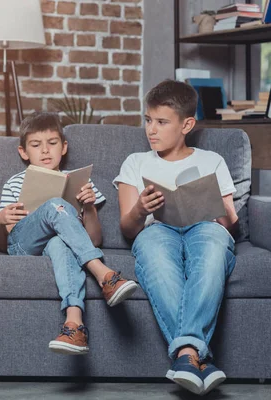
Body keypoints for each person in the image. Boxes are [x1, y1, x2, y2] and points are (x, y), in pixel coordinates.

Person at [115, 80, 238, 395]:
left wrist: (222, 210)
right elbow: (128, 229)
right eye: (147, 120)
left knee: (213, 249)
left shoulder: (212, 161)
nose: (151, 130)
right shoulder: (135, 162)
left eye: (161, 122)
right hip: (156, 228)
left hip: (204, 226)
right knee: (155, 259)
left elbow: (229, 226)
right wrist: (141, 209)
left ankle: (186, 355)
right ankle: (196, 357)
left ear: (187, 124)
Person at [0, 112, 137, 355]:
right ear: (23, 152)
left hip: (58, 246)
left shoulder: (80, 182)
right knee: (53, 204)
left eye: (52, 143)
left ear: (64, 147)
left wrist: (89, 207)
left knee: (61, 243)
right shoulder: (15, 182)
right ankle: (103, 274)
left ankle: (74, 324)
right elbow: (4, 243)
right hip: (24, 244)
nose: (45, 151)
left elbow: (94, 240)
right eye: (36, 145)